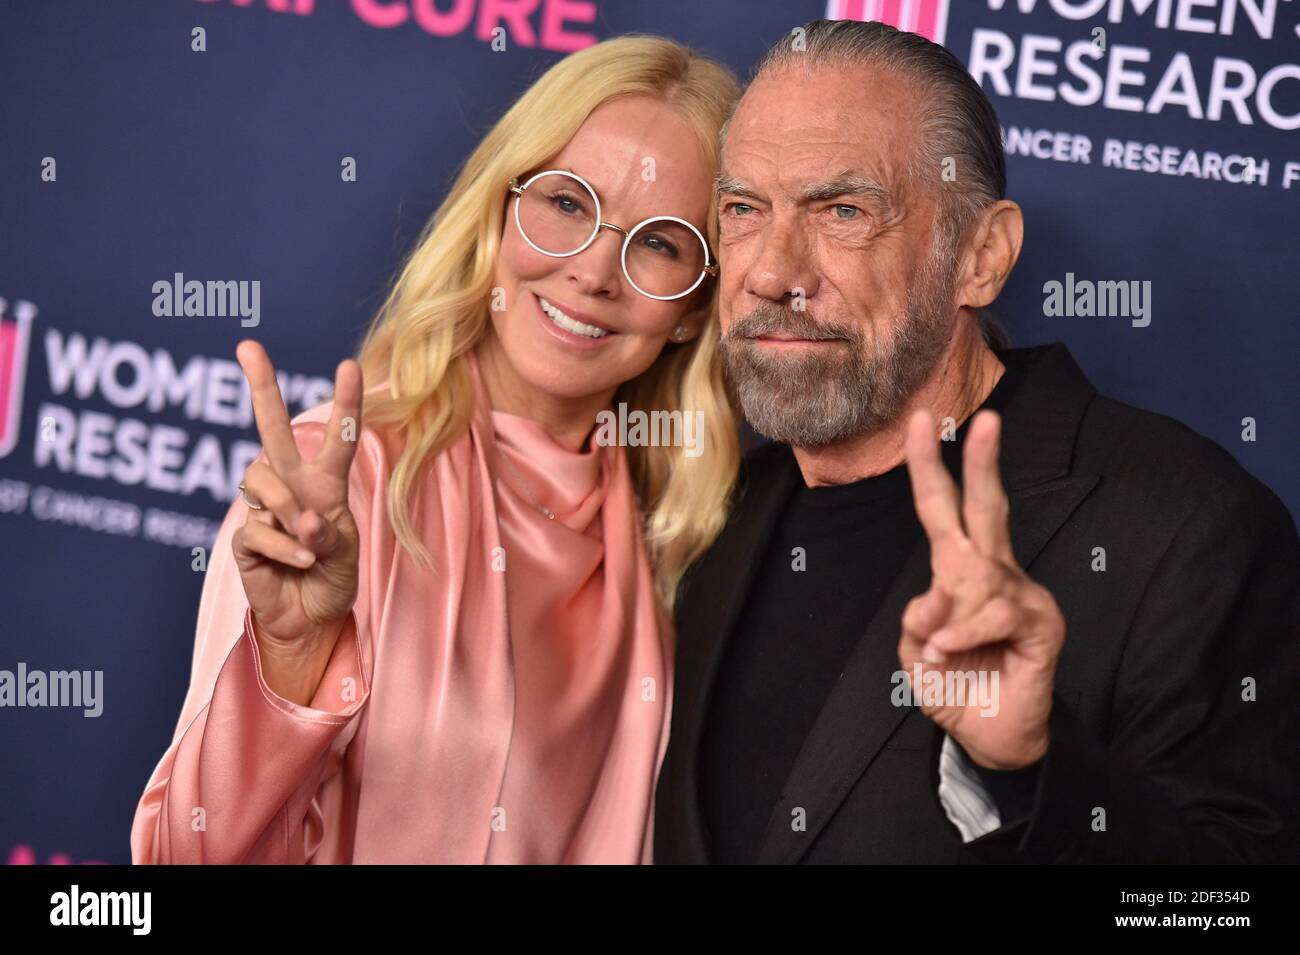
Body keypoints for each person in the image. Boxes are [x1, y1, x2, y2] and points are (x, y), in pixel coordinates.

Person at [654, 19, 1300, 864]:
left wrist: (1026, 770)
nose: (774, 272)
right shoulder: (717, 509)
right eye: (743, 209)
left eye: (844, 210)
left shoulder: (1186, 529)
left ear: (981, 256)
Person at [130, 35, 741, 864]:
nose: (595, 270)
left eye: (660, 243)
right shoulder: (338, 486)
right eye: (566, 202)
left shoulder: (680, 539)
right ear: (498, 209)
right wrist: (288, 665)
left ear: (698, 309)